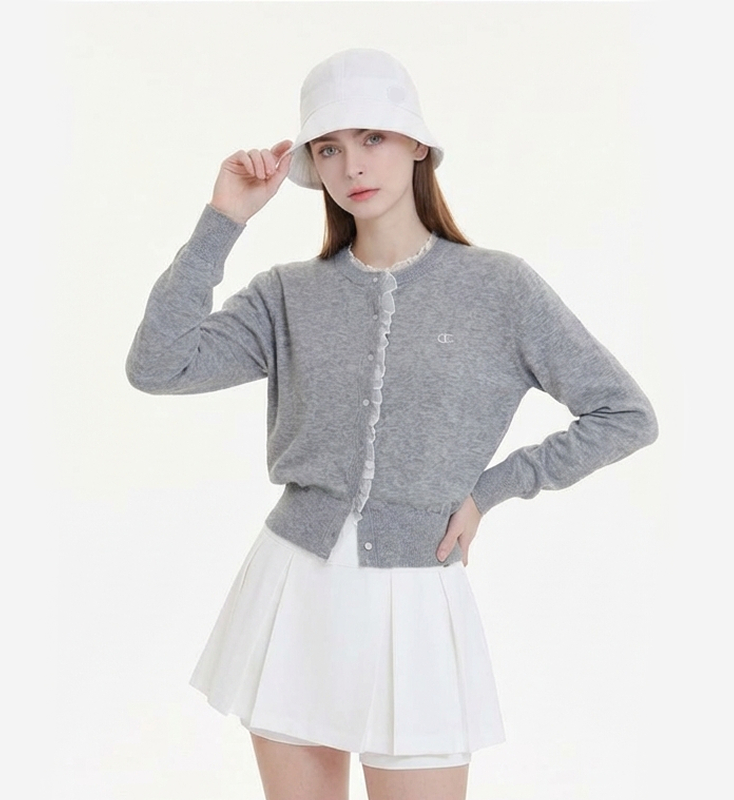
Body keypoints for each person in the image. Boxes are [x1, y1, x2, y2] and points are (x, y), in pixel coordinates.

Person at [126, 48, 658, 800]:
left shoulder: (499, 288)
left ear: (416, 145)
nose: (352, 166)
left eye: (372, 137)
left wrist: (490, 490)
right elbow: (159, 365)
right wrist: (223, 221)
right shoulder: (288, 295)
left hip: (416, 606)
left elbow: (625, 414)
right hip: (293, 590)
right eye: (328, 148)